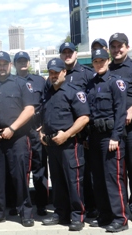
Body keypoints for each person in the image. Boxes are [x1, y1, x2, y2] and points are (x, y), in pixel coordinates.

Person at [0, 51, 37, 227]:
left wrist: (13, 128)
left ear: (10, 65)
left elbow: (29, 110)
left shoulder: (20, 84)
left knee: (20, 176)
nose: (2, 66)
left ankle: (25, 212)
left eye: (5, 63)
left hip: (17, 137)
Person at [40, 58, 90, 231]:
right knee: (58, 181)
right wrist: (41, 132)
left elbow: (84, 117)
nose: (53, 75)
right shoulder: (47, 93)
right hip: (52, 144)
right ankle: (60, 213)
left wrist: (67, 134)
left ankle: (77, 216)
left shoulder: (73, 92)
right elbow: (44, 116)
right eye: (51, 72)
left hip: (69, 143)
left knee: (74, 181)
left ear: (64, 72)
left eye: (57, 72)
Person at [87, 48, 128, 232]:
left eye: (102, 60)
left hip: (110, 137)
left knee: (113, 178)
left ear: (108, 60)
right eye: (95, 61)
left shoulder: (116, 82)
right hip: (95, 137)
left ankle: (120, 218)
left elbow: (121, 112)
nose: (99, 63)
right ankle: (104, 215)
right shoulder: (91, 84)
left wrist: (115, 136)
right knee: (99, 179)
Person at [59, 41, 97, 219]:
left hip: (84, 132)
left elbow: (93, 103)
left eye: (70, 52)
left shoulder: (87, 74)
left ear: (76, 54)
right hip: (64, 135)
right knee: (70, 175)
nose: (67, 55)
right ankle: (70, 208)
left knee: (87, 173)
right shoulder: (58, 74)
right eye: (64, 53)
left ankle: (91, 207)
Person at [108, 32, 132, 224]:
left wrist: (130, 110)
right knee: (116, 171)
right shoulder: (107, 69)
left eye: (120, 46)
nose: (117, 49)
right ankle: (121, 208)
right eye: (113, 46)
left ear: (127, 47)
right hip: (113, 131)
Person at [14, 51, 49, 216]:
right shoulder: (11, 82)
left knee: (40, 167)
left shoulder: (39, 81)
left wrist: (44, 125)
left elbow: (48, 103)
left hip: (36, 129)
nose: (22, 63)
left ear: (29, 63)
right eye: (19, 61)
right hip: (19, 131)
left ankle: (41, 203)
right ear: (14, 64)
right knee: (19, 169)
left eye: (25, 61)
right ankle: (19, 203)